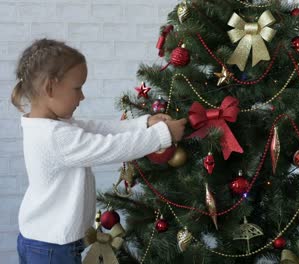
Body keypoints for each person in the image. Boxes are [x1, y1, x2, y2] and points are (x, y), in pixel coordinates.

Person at [12, 38, 187, 264]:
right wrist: (163, 135)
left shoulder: (50, 126)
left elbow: (99, 129)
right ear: (50, 88)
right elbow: (110, 147)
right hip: (52, 248)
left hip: (43, 241)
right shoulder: (55, 136)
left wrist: (144, 123)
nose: (82, 96)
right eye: (77, 88)